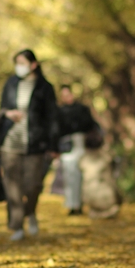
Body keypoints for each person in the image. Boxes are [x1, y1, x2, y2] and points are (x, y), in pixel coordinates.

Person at [0, 49, 59, 241]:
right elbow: (1, 110)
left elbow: (52, 117)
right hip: (10, 142)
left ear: (33, 64)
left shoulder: (44, 87)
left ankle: (29, 212)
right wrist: (8, 114)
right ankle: (17, 226)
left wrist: (53, 144)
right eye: (17, 62)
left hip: (35, 143)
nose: (19, 66)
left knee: (33, 185)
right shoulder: (10, 83)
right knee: (12, 185)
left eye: (22, 62)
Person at [56, 85, 97, 215]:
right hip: (67, 145)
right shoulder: (59, 111)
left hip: (81, 143)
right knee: (69, 176)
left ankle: (82, 203)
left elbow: (90, 125)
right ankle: (72, 204)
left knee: (83, 176)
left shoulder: (82, 109)